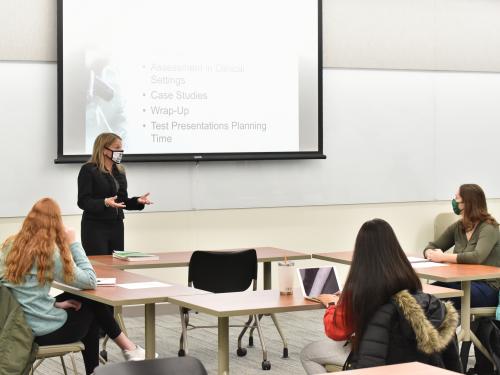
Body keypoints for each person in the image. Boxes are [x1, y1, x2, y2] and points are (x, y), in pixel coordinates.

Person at [0, 198, 147, 375]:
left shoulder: (9, 246)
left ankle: (121, 355)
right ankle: (127, 349)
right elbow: (90, 280)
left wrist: (54, 304)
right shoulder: (48, 253)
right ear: (56, 223)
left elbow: (18, 293)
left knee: (83, 300)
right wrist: (74, 243)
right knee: (91, 304)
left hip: (15, 326)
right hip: (38, 331)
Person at [300, 219, 461, 374]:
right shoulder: (407, 277)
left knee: (308, 354)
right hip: (412, 357)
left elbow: (337, 331)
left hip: (376, 358)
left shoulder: (359, 287)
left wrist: (332, 305)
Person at [424, 184, 500, 309]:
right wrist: (429, 253)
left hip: (486, 288)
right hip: (460, 282)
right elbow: (433, 245)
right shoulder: (459, 226)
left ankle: (447, 327)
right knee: (421, 294)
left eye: (457, 198)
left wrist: (443, 257)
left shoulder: (489, 228)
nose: (454, 202)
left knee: (432, 299)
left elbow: (477, 257)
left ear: (468, 203)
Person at [78, 132, 152, 256]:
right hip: (95, 227)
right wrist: (104, 202)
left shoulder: (120, 171)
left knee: (117, 266)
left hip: (116, 226)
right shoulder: (89, 170)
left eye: (121, 147)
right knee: (100, 268)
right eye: (117, 148)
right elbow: (83, 201)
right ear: (104, 150)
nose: (121, 151)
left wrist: (137, 201)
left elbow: (122, 201)